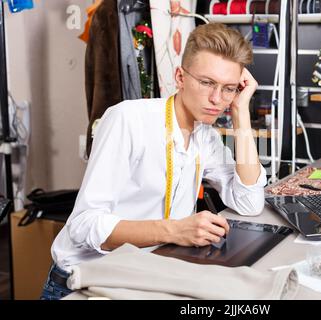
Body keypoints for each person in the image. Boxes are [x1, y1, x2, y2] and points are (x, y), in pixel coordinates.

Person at [40, 23, 267, 300]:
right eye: (207, 83)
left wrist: (241, 111)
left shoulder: (204, 135)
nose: (217, 99)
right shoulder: (128, 120)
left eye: (228, 88)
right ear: (180, 77)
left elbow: (249, 201)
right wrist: (175, 230)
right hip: (86, 281)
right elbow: (84, 225)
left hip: (145, 276)